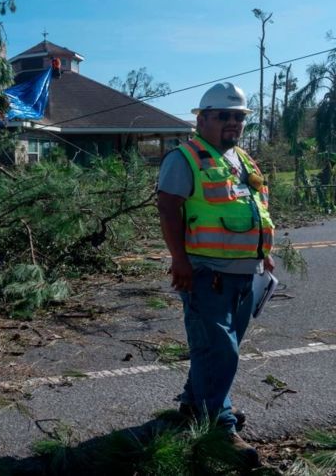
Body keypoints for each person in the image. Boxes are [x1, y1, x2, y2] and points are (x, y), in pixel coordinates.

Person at [157, 82, 274, 467]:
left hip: (246, 275)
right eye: (223, 115)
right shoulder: (184, 158)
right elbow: (168, 208)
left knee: (217, 348)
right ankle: (219, 428)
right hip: (207, 274)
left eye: (238, 116)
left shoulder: (243, 160)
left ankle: (194, 405)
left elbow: (255, 209)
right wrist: (180, 260)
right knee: (222, 351)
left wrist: (264, 256)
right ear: (202, 118)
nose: (232, 122)